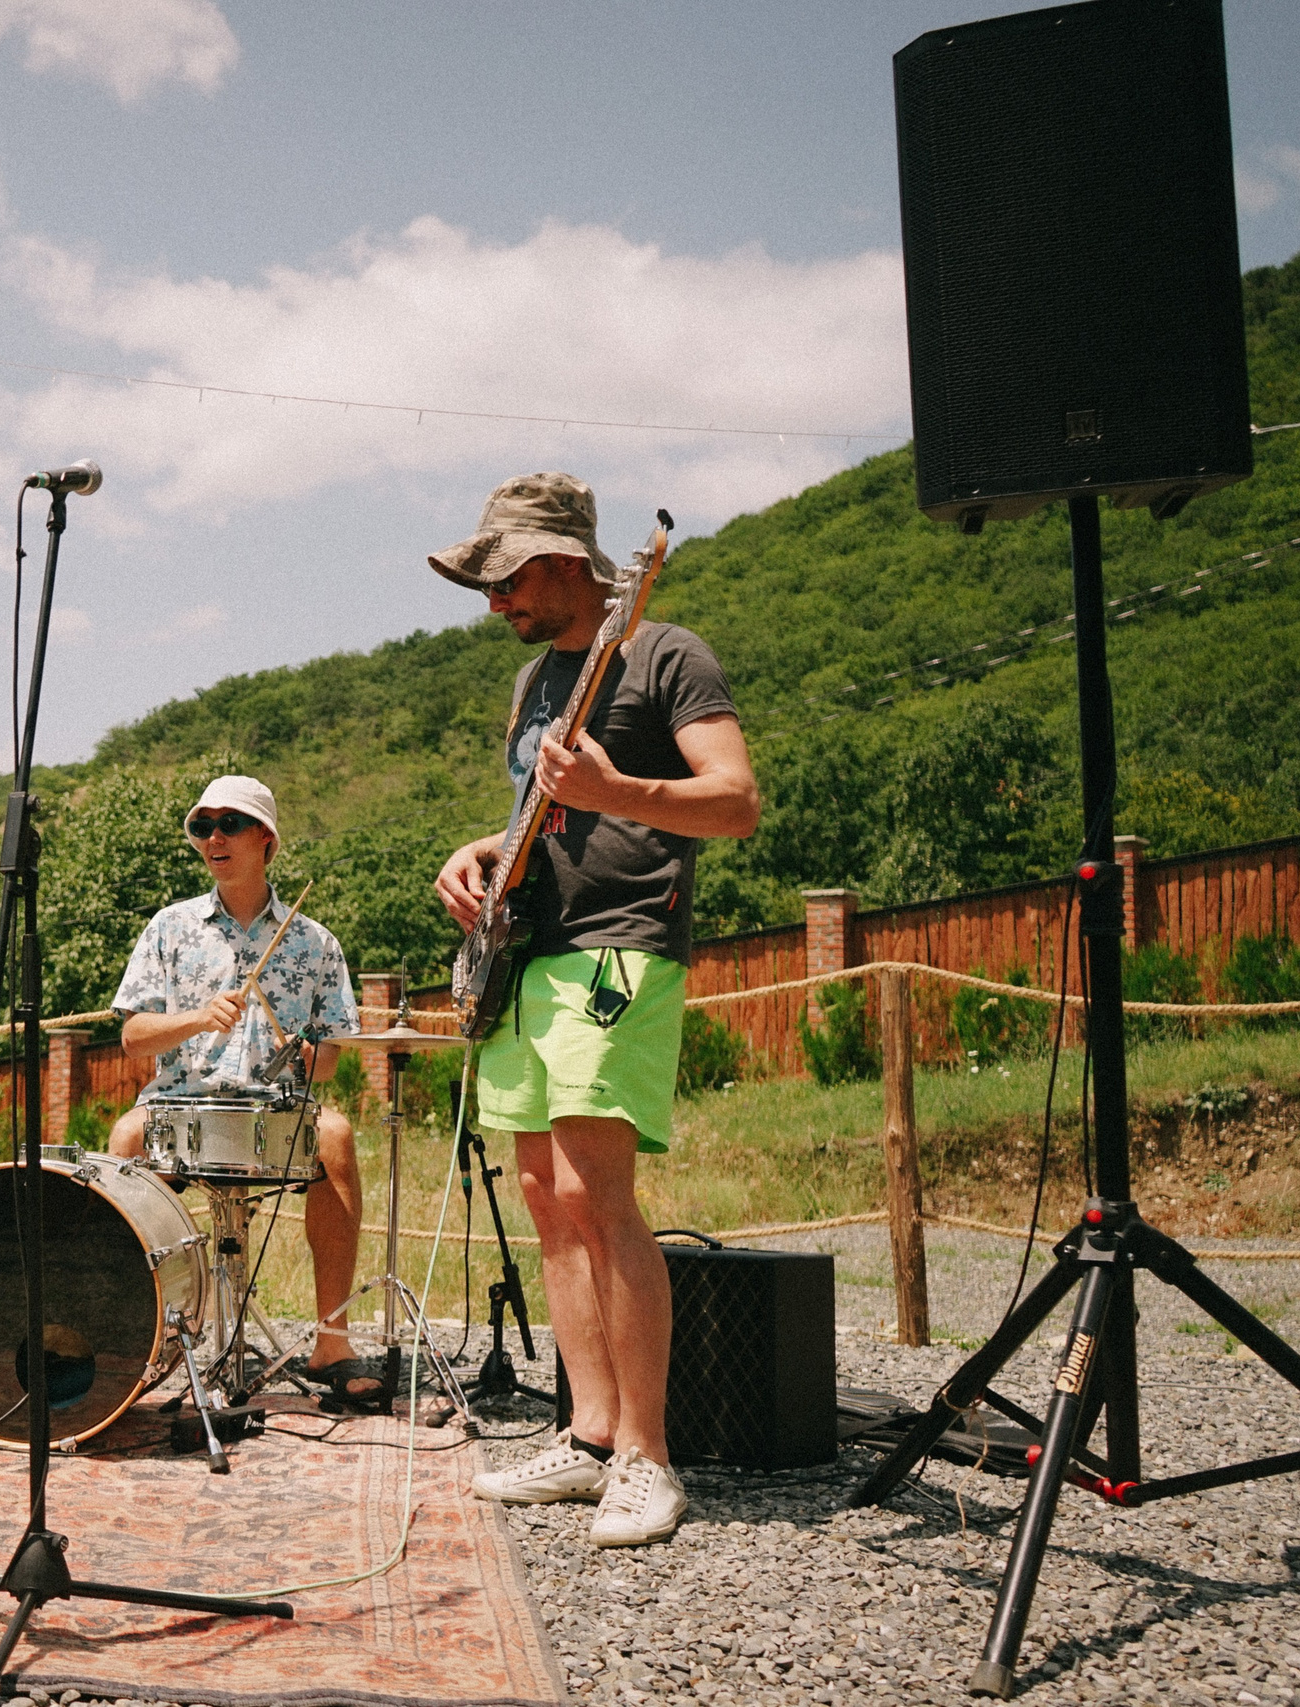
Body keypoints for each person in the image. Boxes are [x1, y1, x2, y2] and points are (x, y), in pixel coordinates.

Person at [427, 473, 759, 1547]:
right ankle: (589, 1436)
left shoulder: (667, 655)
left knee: (596, 1188)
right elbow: (541, 816)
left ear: (566, 559)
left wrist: (620, 795)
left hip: (620, 949)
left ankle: (649, 1460)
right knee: (544, 1194)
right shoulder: (534, 680)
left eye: (506, 578)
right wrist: (477, 852)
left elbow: (735, 802)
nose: (493, 603)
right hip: (529, 956)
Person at [105, 776, 381, 1403]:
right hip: (180, 1107)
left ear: (266, 839)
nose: (213, 838)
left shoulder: (315, 943)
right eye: (202, 827)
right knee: (124, 1135)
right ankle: (129, 1338)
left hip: (276, 1113)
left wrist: (307, 1051)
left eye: (229, 824)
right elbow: (134, 1037)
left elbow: (333, 1059)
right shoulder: (169, 929)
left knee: (334, 1135)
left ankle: (331, 1341)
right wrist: (198, 1018)